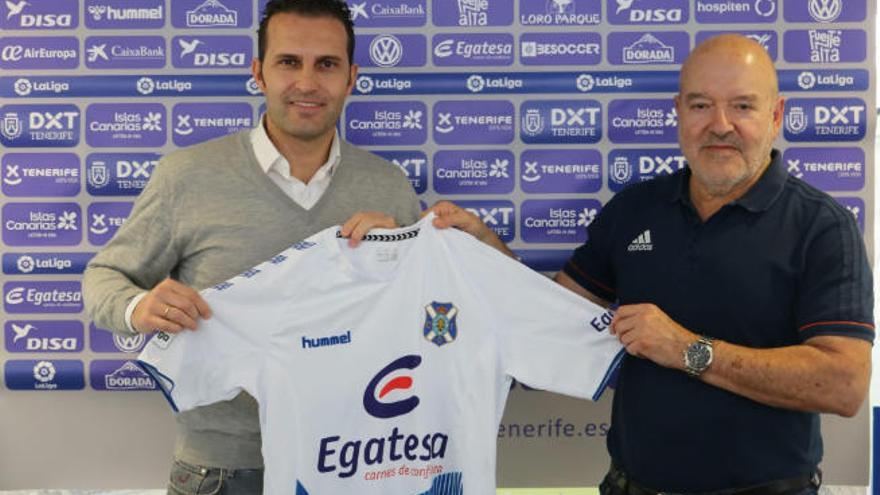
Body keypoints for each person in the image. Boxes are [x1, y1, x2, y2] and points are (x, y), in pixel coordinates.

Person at [429, 34, 873, 494]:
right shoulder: (636, 209)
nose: (720, 125)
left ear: (775, 116)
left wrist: (686, 349)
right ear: (678, 112)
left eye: (742, 106)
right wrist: (482, 245)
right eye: (701, 106)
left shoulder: (822, 226)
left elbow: (842, 384)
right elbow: (549, 314)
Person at [83, 1, 420, 493]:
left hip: (357, 461)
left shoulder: (388, 186)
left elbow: (426, 314)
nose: (307, 82)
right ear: (259, 73)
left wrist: (401, 256)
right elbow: (102, 278)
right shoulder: (187, 176)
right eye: (289, 62)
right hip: (222, 471)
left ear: (352, 77)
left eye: (326, 64)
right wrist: (140, 306)